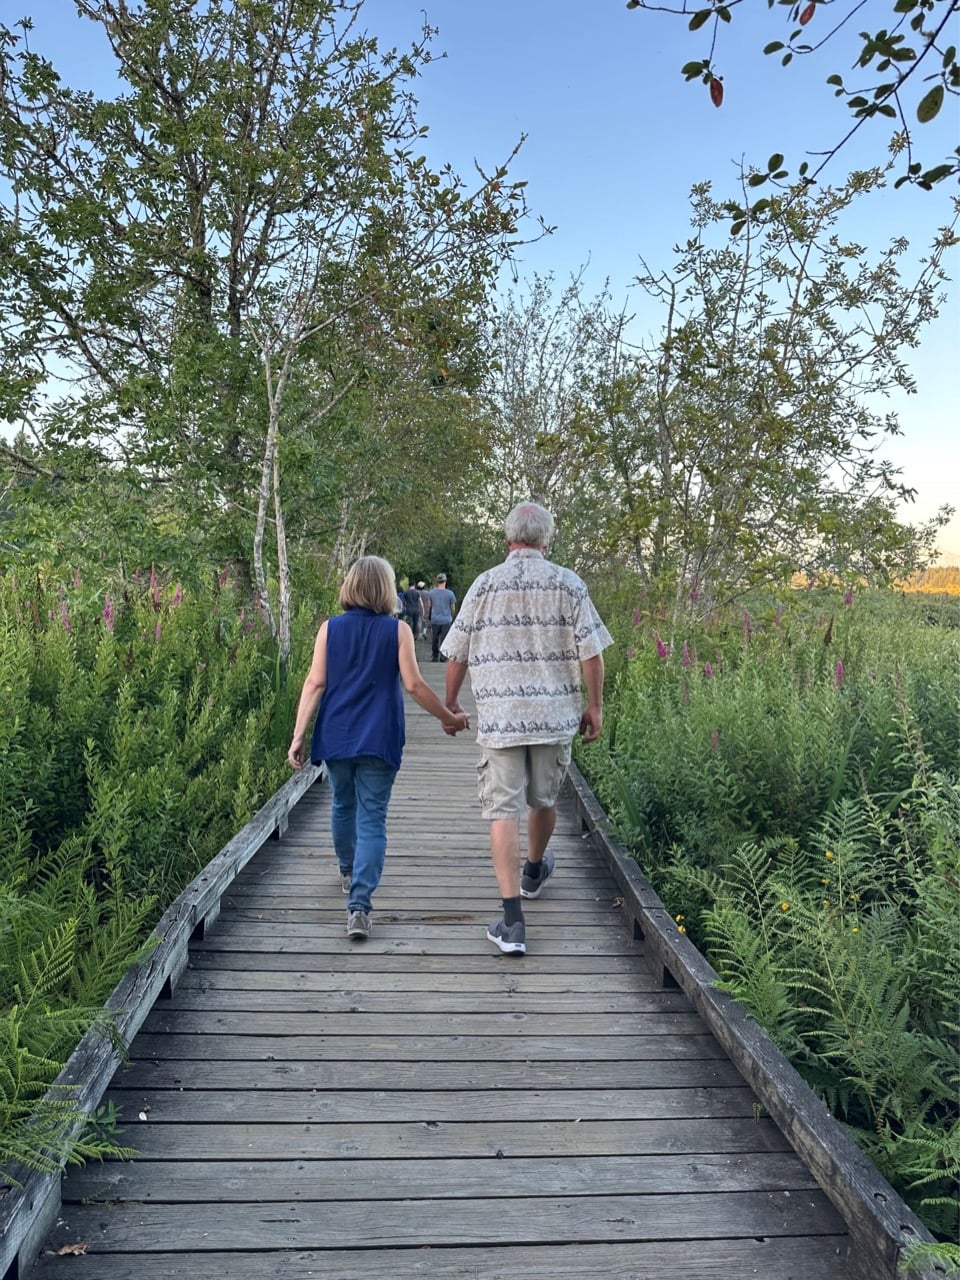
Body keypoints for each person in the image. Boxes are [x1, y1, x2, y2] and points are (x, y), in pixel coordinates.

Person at [441, 502, 612, 956]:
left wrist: (451, 703)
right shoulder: (569, 584)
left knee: (503, 811)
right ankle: (534, 871)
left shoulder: (484, 584)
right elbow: (592, 653)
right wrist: (595, 706)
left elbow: (457, 653)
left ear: (508, 538)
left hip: (501, 719)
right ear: (546, 540)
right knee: (545, 799)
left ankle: (512, 921)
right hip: (553, 717)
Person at [288, 556, 469, 940]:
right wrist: (448, 717)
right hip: (379, 736)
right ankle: (359, 907)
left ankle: (347, 870)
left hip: (336, 734)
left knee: (342, 805)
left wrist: (298, 734)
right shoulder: (398, 631)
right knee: (371, 818)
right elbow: (414, 685)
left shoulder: (329, 629)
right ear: (387, 589)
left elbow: (315, 683)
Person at [425, 572, 457, 663]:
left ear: (437, 582)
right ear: (445, 581)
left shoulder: (431, 593)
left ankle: (435, 656)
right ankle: (443, 657)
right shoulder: (450, 594)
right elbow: (453, 608)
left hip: (435, 619)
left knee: (435, 638)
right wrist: (451, 616)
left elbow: (429, 606)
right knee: (444, 639)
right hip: (446, 620)